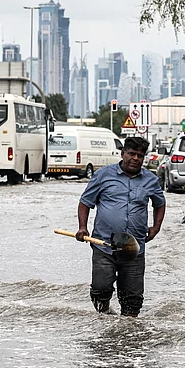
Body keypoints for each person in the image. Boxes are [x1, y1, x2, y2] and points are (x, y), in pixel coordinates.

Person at [76, 136, 166, 317]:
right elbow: (85, 202)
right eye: (131, 154)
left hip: (134, 248)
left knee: (132, 298)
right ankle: (105, 321)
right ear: (123, 154)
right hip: (104, 245)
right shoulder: (103, 175)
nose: (135, 158)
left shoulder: (150, 180)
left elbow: (160, 204)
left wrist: (155, 228)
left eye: (140, 156)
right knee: (100, 289)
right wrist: (82, 227)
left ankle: (128, 333)